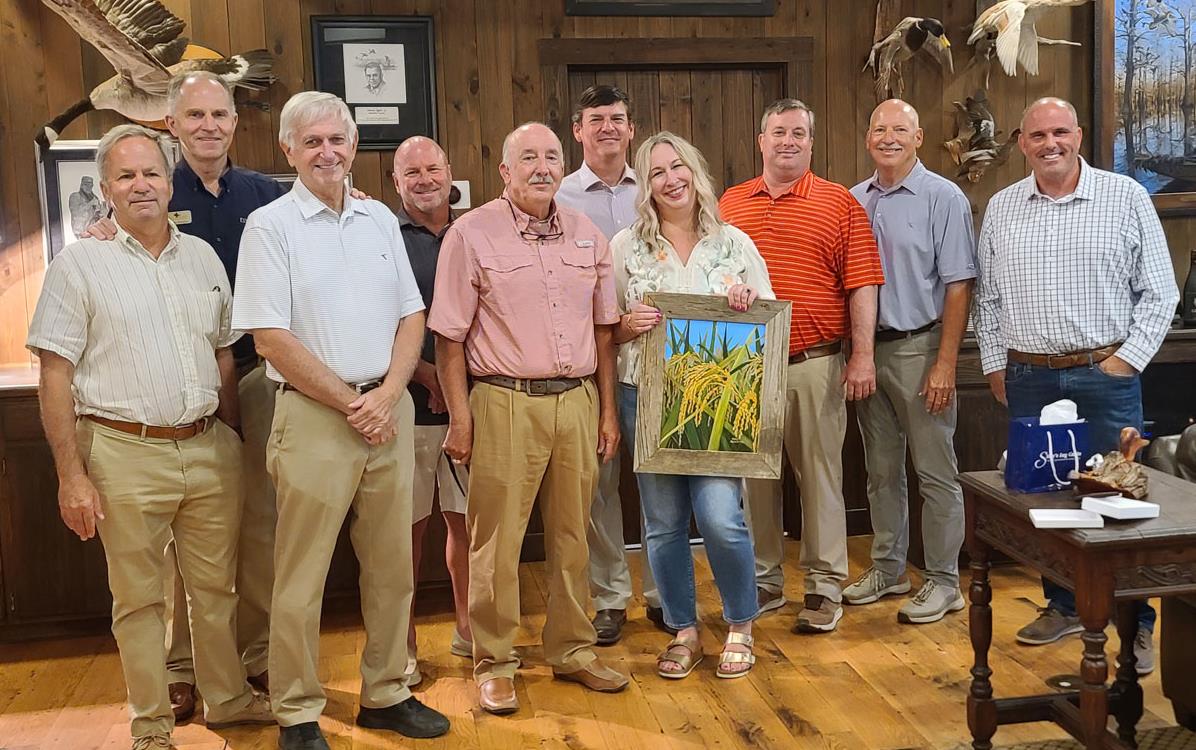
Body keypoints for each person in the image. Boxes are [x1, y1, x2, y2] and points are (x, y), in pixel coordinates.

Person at [27, 123, 274, 750]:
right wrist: (71, 475)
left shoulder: (203, 258)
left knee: (217, 590)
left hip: (207, 445)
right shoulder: (79, 264)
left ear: (170, 182)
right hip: (120, 451)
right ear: (106, 188)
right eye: (127, 176)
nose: (142, 186)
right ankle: (151, 726)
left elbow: (223, 355)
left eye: (152, 174)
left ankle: (230, 702)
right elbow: (54, 375)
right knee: (139, 601)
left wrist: (231, 439)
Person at [232, 91, 449, 748]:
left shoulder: (379, 218)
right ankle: (297, 710)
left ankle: (386, 693)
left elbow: (413, 315)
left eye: (338, 140)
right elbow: (269, 336)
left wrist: (386, 394)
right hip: (315, 420)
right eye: (313, 141)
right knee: (300, 575)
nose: (327, 152)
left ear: (354, 147)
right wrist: (352, 402)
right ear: (289, 150)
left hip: (387, 413)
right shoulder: (271, 227)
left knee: (392, 568)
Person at [84, 70, 288, 722]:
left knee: (250, 533)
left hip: (253, 378)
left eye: (218, 114)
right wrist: (98, 230)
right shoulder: (151, 192)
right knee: (176, 550)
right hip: (176, 396)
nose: (207, 125)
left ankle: (249, 657)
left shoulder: (266, 195)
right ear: (170, 124)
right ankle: (180, 670)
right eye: (193, 115)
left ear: (234, 122)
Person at [429, 122, 629, 716]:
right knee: (496, 540)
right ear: (505, 170)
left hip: (577, 400)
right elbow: (448, 340)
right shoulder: (470, 234)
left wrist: (608, 411)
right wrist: (461, 421)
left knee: (573, 535)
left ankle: (572, 648)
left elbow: (604, 332)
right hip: (503, 401)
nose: (542, 167)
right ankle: (493, 661)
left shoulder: (587, 235)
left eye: (551, 158)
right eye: (529, 158)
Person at [975, 97, 1179, 675]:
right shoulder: (1003, 206)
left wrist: (1127, 361)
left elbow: (1160, 292)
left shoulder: (1125, 198)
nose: (1050, 144)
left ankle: (1136, 627)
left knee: (1119, 501)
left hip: (1104, 373)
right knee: (1047, 497)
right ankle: (1062, 604)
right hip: (1029, 376)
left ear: (1080, 135)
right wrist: (995, 363)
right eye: (1037, 135)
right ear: (1021, 143)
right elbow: (989, 297)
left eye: (1060, 132)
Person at [720, 98, 885, 634]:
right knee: (754, 482)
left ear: (811, 143)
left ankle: (823, 585)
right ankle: (764, 579)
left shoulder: (839, 203)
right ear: (760, 140)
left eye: (797, 133)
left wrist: (862, 355)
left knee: (819, 476)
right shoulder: (730, 203)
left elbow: (862, 282)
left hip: (814, 362)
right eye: (777, 131)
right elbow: (713, 276)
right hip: (744, 366)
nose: (787, 141)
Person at [612, 131, 773, 678]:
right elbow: (603, 327)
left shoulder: (735, 244)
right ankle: (684, 629)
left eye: (677, 166)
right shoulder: (624, 247)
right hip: (646, 396)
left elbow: (767, 321)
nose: (670, 179)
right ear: (645, 184)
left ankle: (740, 623)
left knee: (722, 518)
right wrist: (624, 326)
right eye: (656, 172)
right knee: (661, 521)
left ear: (695, 171)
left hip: (720, 401)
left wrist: (747, 303)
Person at [845, 99, 976, 624]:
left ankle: (945, 581)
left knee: (934, 471)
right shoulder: (854, 199)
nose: (889, 137)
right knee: (880, 472)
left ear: (919, 137)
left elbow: (959, 284)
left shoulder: (943, 197)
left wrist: (946, 364)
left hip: (921, 349)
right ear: (868, 137)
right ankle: (889, 568)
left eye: (900, 128)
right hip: (866, 353)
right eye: (879, 128)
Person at [556, 84, 667, 643]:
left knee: (656, 482)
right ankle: (609, 596)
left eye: (616, 119)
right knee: (598, 484)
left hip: (656, 362)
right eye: (594, 118)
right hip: (586, 360)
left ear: (631, 129)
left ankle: (663, 592)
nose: (606, 128)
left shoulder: (658, 190)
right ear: (578, 130)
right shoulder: (559, 196)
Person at [391, 135, 473, 684]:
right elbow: (375, 316)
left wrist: (460, 386)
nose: (424, 179)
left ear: (450, 173)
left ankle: (471, 630)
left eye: (432, 168)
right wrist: (426, 374)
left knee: (468, 525)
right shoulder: (383, 238)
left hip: (474, 406)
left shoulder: (478, 230)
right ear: (397, 183)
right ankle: (404, 646)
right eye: (411, 172)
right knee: (407, 534)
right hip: (410, 406)